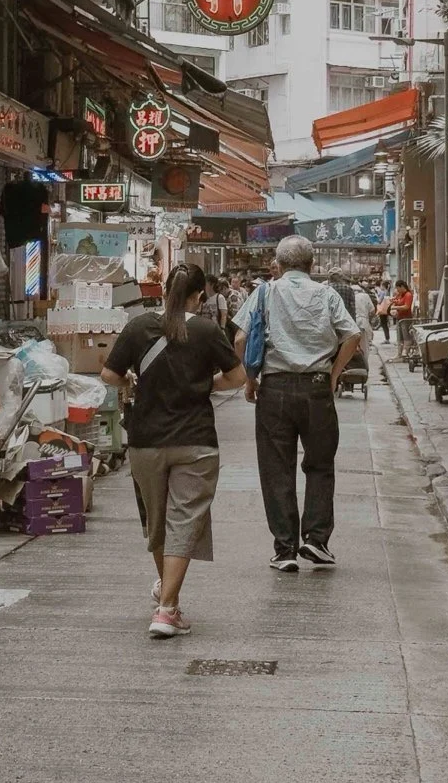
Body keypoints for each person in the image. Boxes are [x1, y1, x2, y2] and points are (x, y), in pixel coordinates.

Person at [102, 263, 246, 639]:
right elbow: (237, 376)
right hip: (195, 442)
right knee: (183, 522)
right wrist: (201, 385)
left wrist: (135, 377)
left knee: (158, 520)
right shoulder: (206, 329)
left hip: (146, 443)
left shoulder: (137, 327)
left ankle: (169, 602)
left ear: (165, 291)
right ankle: (166, 609)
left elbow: (109, 375)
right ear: (200, 296)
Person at [234, 235, 360, 572]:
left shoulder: (264, 293)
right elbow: (353, 335)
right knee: (320, 465)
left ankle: (285, 549)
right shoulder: (326, 294)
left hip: (274, 390)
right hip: (316, 389)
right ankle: (316, 540)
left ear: (278, 264)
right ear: (311, 265)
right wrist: (334, 375)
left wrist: (250, 378)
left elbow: (241, 337)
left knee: (277, 469)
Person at [389, 279, 415, 359]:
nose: (397, 290)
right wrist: (394, 301)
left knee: (406, 336)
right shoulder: (401, 295)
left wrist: (395, 307)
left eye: (397, 288)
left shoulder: (408, 295)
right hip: (399, 318)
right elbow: (398, 301)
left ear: (402, 287)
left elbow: (406, 306)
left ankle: (405, 353)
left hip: (406, 318)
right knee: (399, 337)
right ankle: (399, 354)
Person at [352, 281, 374, 365]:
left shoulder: (349, 295)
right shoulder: (365, 296)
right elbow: (372, 311)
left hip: (352, 323)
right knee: (364, 346)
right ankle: (364, 364)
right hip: (363, 322)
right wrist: (369, 319)